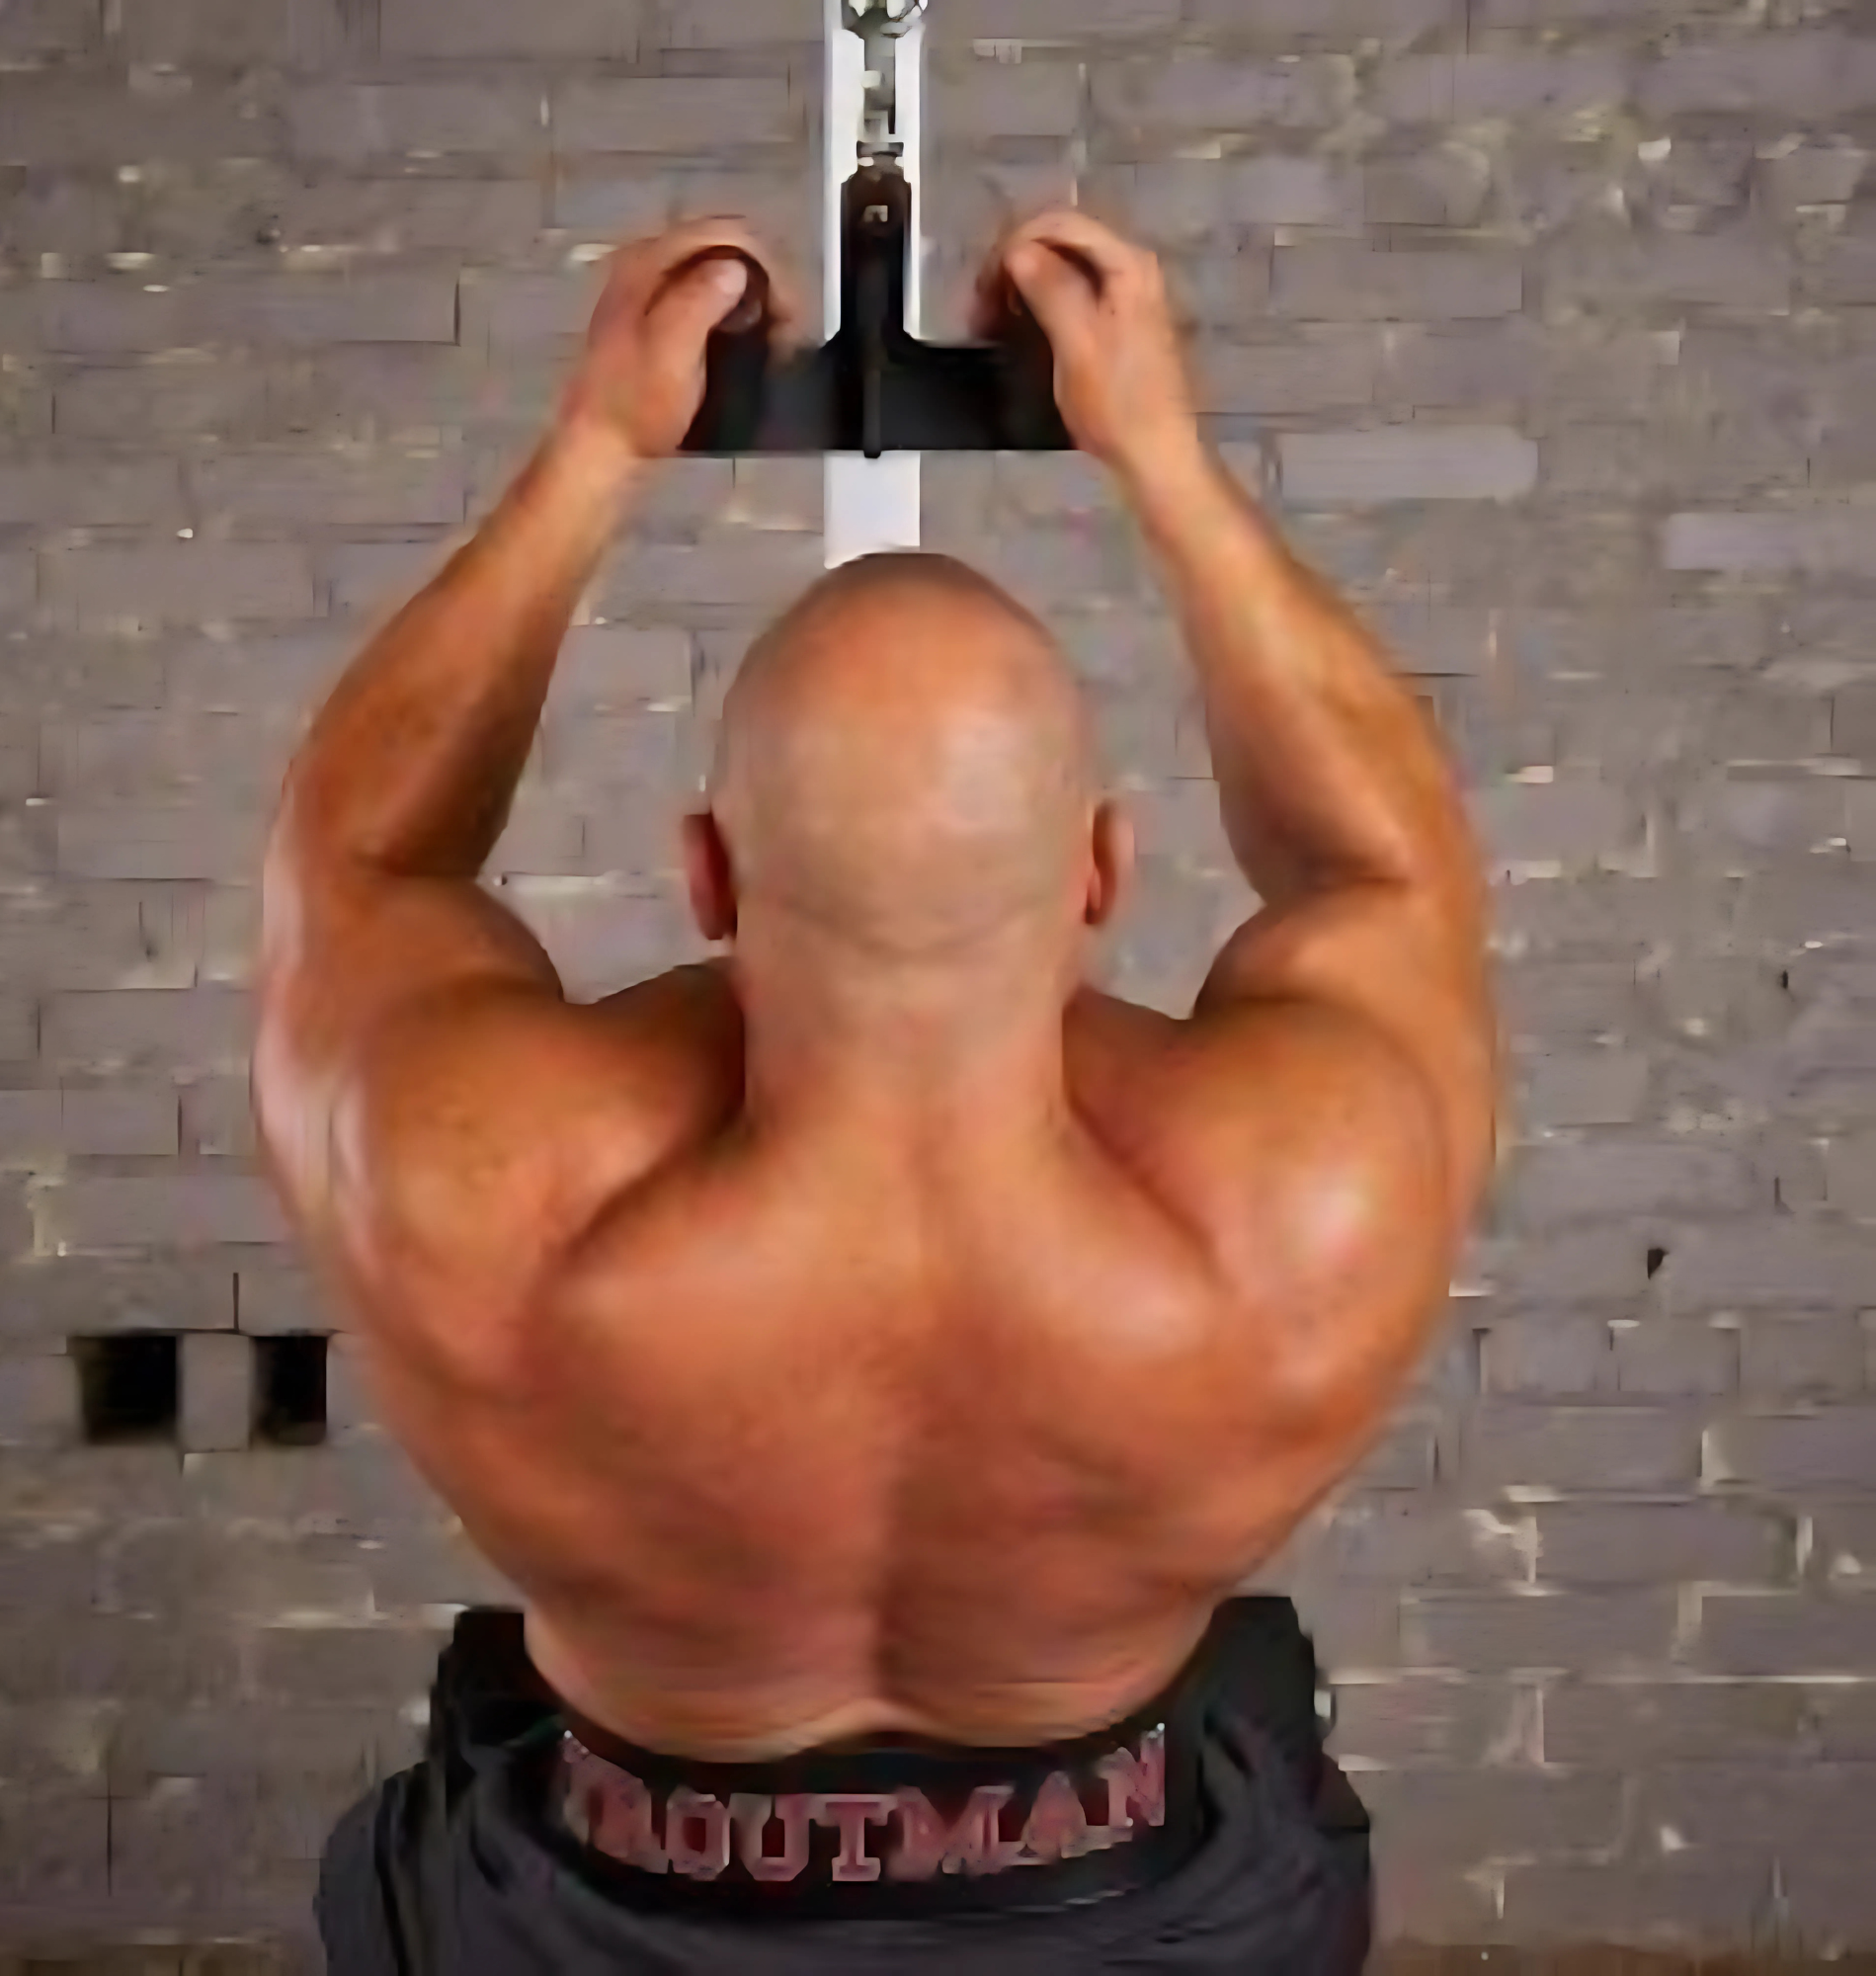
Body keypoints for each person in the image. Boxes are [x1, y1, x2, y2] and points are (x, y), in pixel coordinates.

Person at [254, 208, 1500, 1973]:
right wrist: (1165, 460)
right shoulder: (1295, 1215)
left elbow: (354, 866)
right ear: (1100, 869)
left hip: (604, 1913)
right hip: (1134, 1913)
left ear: (703, 871)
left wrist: (598, 449)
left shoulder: (486, 1186)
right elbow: (1389, 873)